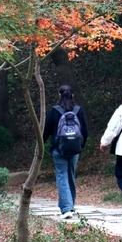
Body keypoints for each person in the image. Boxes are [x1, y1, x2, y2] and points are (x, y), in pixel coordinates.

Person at [43, 85, 88, 220]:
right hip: (75, 150)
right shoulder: (78, 110)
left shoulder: (54, 111)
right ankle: (70, 206)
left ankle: (66, 208)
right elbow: (85, 131)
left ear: (59, 95)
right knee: (71, 176)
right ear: (73, 95)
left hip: (58, 149)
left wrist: (42, 144)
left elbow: (46, 130)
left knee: (62, 176)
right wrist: (80, 146)